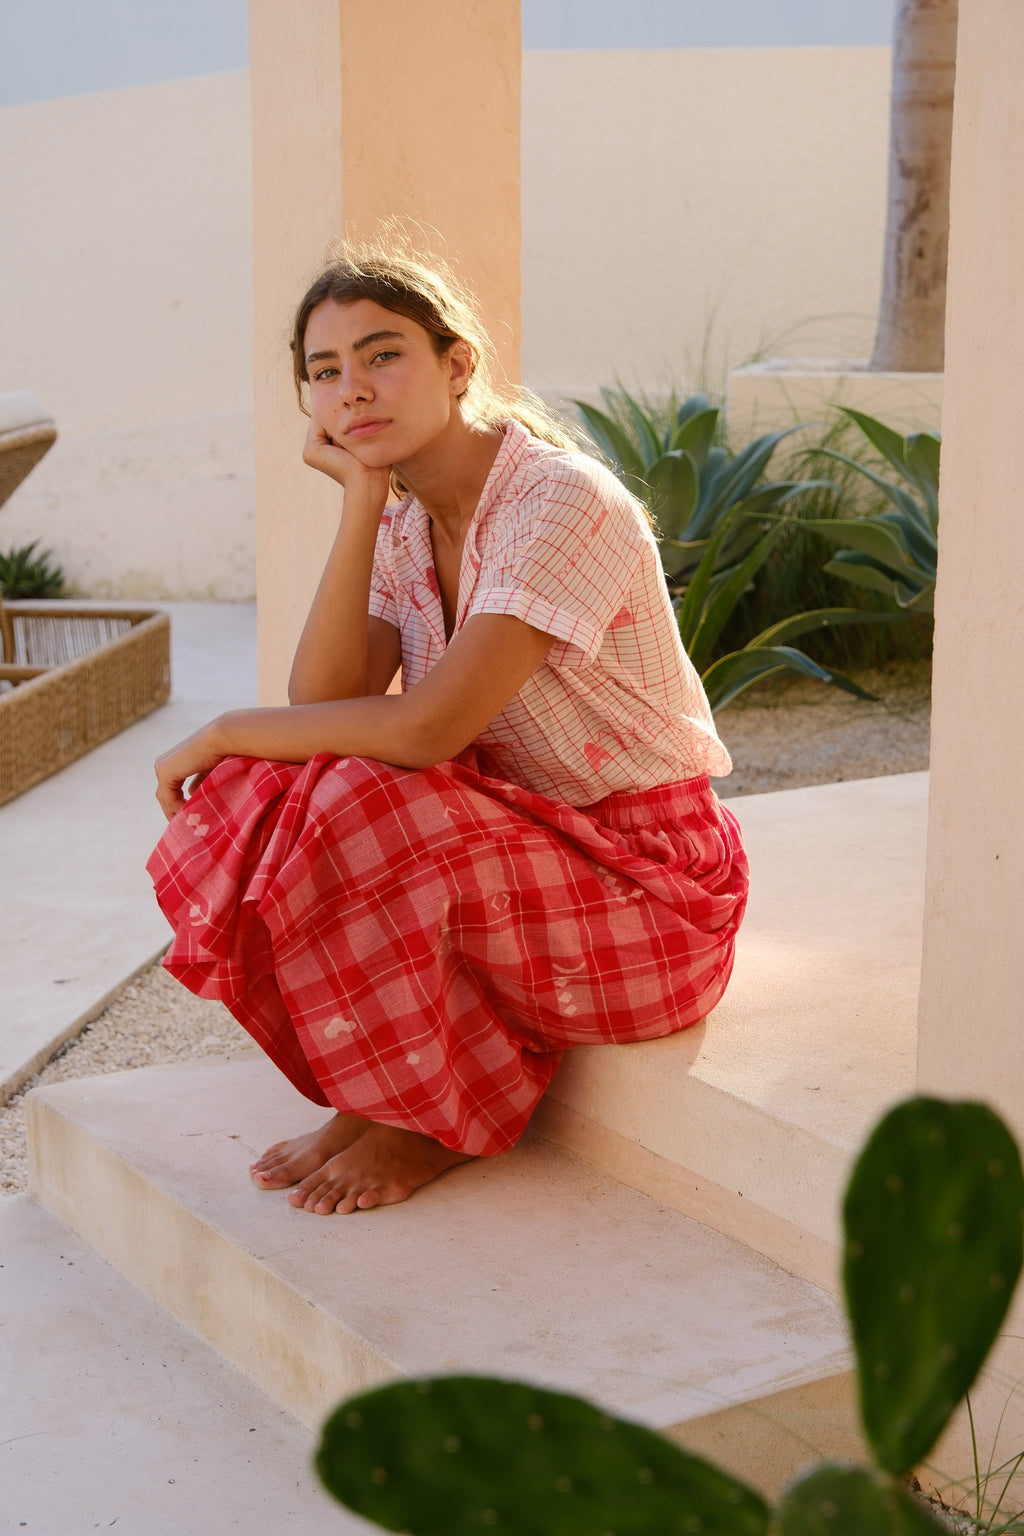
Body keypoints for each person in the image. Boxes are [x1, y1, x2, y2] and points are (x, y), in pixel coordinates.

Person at [147, 245, 749, 1218]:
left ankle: (427, 1117)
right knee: (279, 780)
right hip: (531, 851)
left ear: (458, 364)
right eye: (325, 371)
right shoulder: (406, 524)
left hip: (653, 893)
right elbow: (323, 702)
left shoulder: (557, 502)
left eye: (382, 354)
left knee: (349, 787)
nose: (353, 388)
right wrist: (360, 502)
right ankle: (374, 1092)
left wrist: (221, 728)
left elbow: (428, 728)